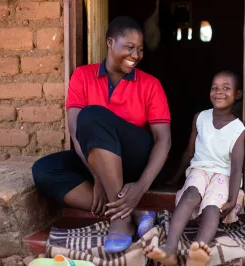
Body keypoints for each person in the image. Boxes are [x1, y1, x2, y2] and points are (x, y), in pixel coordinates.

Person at [32, 16, 171, 253]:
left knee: (93, 115)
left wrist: (141, 186)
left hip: (135, 161)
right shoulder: (82, 76)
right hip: (95, 159)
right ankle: (131, 212)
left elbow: (164, 140)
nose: (135, 55)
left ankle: (120, 222)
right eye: (129, 47)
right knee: (44, 171)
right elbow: (75, 132)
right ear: (110, 42)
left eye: (139, 50)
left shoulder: (150, 84)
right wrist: (96, 175)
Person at [144, 71, 245, 266]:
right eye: (214, 87)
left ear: (238, 95)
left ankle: (198, 251)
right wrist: (175, 178)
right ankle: (170, 249)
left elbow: (236, 166)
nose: (219, 92)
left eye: (226, 88)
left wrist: (233, 197)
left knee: (212, 206)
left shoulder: (238, 129)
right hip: (199, 170)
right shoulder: (200, 118)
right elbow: (189, 153)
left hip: (223, 174)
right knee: (190, 194)